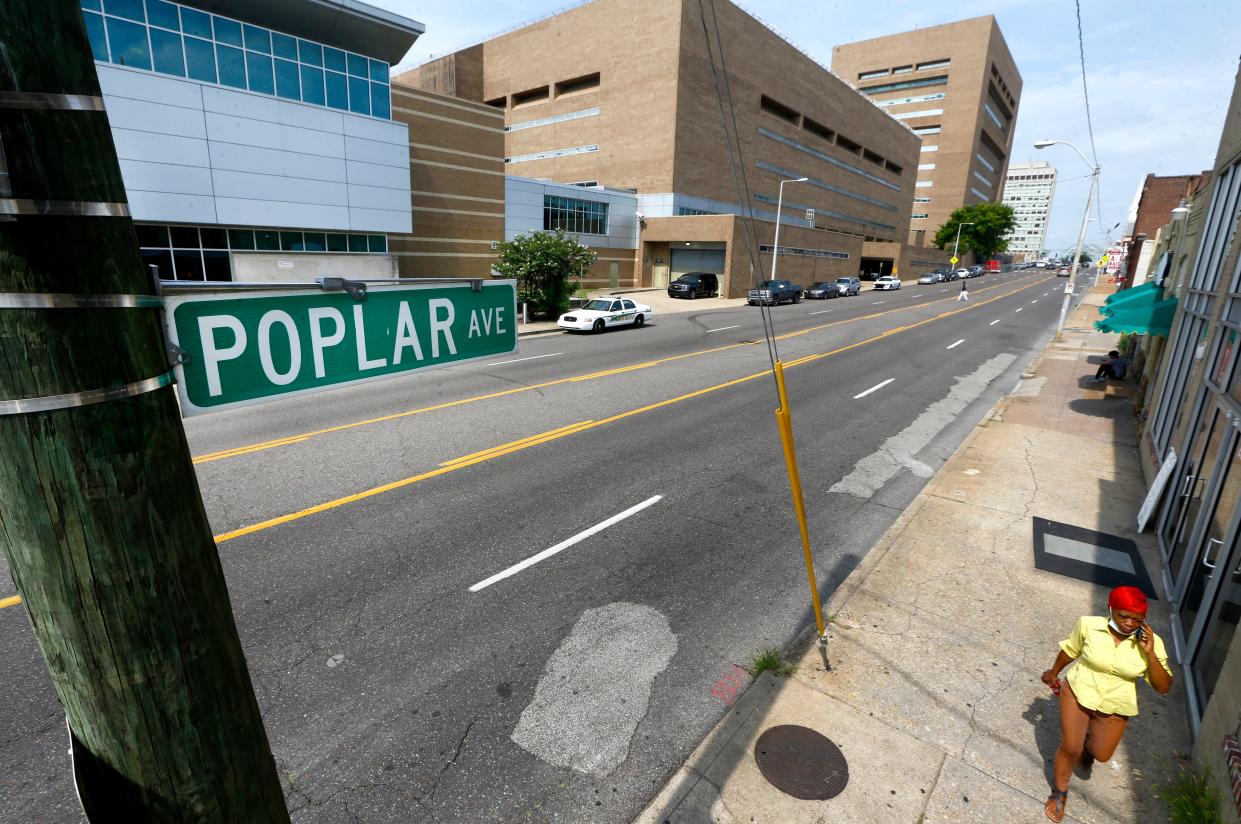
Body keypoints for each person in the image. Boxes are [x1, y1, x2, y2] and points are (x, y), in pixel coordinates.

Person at [1040, 586, 1172, 822]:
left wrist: (1150, 653)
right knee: (1071, 746)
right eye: (1123, 615)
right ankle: (1059, 793)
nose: (1130, 623)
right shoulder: (1089, 625)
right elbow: (1070, 650)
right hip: (1079, 691)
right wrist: (1054, 672)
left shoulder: (1152, 642)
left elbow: (1163, 687)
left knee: (1101, 754)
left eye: (1137, 619)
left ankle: (1089, 748)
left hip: (1116, 703)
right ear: (1110, 609)